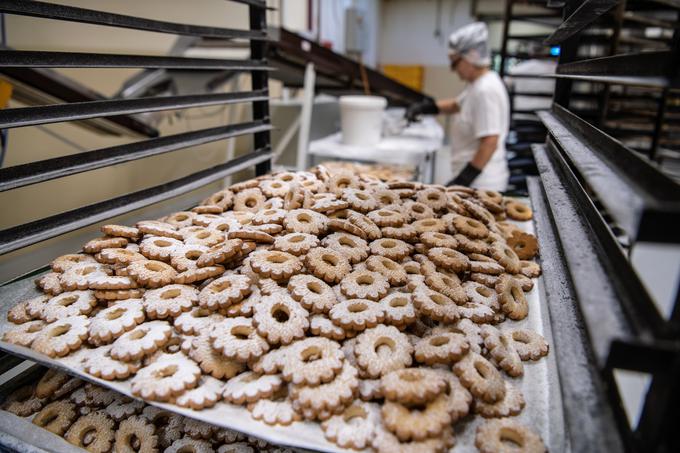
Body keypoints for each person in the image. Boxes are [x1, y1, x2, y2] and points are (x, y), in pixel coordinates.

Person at [406, 22, 510, 191]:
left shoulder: (485, 90)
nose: (453, 70)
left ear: (471, 56)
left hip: (481, 185)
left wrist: (463, 180)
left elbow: (490, 141)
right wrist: (425, 108)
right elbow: (456, 104)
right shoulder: (477, 84)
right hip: (476, 182)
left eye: (455, 63)